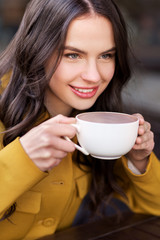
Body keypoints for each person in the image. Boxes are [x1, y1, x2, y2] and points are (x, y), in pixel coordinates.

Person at [0, 0, 159, 239]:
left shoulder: (95, 121)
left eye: (106, 55)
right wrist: (22, 159)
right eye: (73, 55)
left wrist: (139, 161)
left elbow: (154, 208)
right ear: (37, 49)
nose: (94, 76)